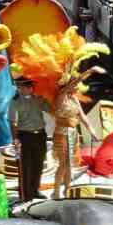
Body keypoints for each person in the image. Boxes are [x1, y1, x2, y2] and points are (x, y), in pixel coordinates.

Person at [52, 68, 101, 199]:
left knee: (69, 163)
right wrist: (90, 71)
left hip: (73, 132)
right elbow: (72, 84)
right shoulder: (61, 96)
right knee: (63, 163)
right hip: (62, 133)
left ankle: (67, 189)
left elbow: (83, 116)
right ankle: (56, 191)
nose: (77, 87)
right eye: (74, 84)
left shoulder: (74, 98)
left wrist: (92, 131)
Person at [9, 76, 53, 202]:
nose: (19, 90)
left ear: (30, 88)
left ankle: (35, 190)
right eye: (19, 87)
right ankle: (26, 193)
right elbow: (12, 122)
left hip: (40, 135)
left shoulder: (39, 99)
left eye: (22, 87)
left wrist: (52, 95)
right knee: (25, 165)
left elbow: (50, 109)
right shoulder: (15, 101)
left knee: (38, 164)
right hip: (24, 136)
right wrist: (15, 140)